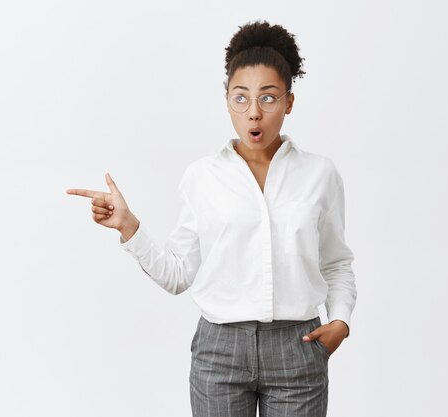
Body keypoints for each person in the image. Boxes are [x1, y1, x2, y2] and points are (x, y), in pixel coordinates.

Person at [66, 19, 357, 417]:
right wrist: (128, 226)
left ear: (289, 102)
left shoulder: (320, 174)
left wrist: (340, 321)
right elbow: (178, 275)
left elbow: (336, 262)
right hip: (220, 351)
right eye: (241, 98)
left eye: (268, 98)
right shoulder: (202, 176)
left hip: (298, 346)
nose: (254, 112)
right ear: (227, 100)